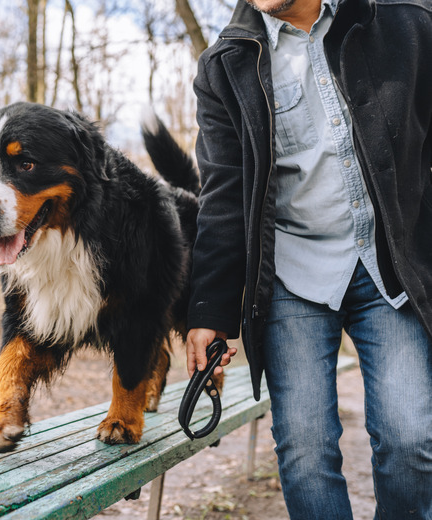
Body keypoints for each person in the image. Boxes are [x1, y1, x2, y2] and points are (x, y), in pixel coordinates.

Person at [185, 0, 432, 517]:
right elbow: (224, 195)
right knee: (305, 453)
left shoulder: (404, 23)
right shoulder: (223, 67)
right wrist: (209, 310)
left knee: (412, 440)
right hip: (291, 279)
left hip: (389, 268)